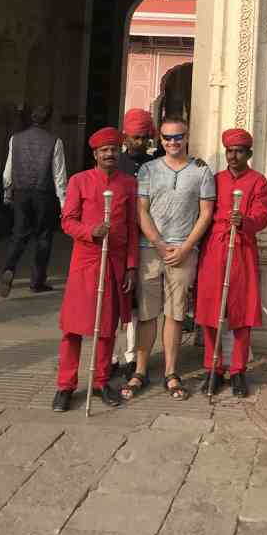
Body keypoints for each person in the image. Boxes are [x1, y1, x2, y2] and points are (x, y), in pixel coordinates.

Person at [121, 118, 215, 403]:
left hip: (184, 250)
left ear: (187, 136)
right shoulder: (149, 169)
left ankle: (171, 372)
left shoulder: (201, 171)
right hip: (151, 249)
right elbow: (142, 211)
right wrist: (160, 245)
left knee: (175, 314)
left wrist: (186, 247)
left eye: (178, 137)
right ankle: (139, 370)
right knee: (148, 313)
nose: (172, 142)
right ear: (159, 138)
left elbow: (206, 213)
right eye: (167, 137)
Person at [52, 127, 138, 412]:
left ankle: (101, 381)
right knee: (73, 328)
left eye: (114, 149)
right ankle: (65, 386)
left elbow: (132, 229)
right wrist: (91, 231)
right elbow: (68, 221)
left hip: (114, 262)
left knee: (106, 328)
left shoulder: (128, 184)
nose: (110, 154)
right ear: (95, 154)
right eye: (105, 150)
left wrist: (130, 267)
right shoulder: (79, 181)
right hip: (86, 261)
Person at [196, 128, 267, 398]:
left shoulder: (258, 182)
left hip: (242, 250)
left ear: (249, 153)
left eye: (239, 151)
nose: (233, 156)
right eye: (229, 151)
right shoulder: (215, 180)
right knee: (210, 312)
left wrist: (247, 222)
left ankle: (238, 370)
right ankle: (213, 369)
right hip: (215, 250)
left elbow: (263, 214)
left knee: (241, 314)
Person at [0, 105, 67, 297]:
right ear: (49, 120)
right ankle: (37, 281)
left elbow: (8, 170)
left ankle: (9, 268)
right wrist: (64, 203)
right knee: (43, 237)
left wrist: (7, 193)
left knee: (18, 235)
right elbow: (59, 176)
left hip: (21, 192)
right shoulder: (55, 141)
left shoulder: (16, 139)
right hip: (43, 194)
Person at [111, 107, 157, 379]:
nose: (139, 143)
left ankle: (131, 356)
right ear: (125, 137)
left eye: (144, 138)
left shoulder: (156, 163)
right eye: (135, 138)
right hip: (121, 243)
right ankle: (112, 356)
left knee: (139, 304)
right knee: (116, 303)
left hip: (147, 243)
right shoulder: (117, 165)